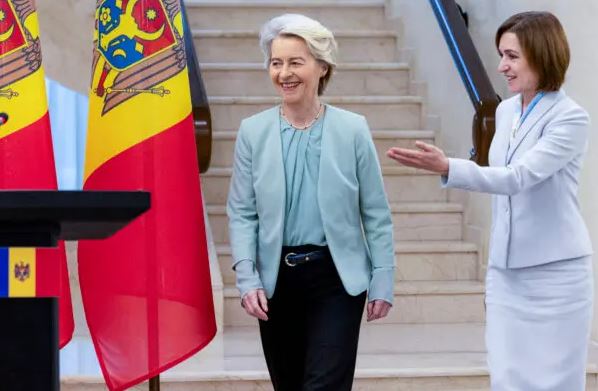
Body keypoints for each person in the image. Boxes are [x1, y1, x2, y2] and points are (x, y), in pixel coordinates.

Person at [387, 11, 593, 391]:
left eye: (512, 56)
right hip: (505, 272)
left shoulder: (570, 118)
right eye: (501, 55)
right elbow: (498, 169)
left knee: (557, 383)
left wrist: (449, 166)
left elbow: (519, 178)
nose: (501, 66)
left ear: (542, 54)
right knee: (507, 379)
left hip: (557, 275)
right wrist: (453, 166)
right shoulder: (506, 110)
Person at [226, 13, 395, 391]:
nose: (284, 73)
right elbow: (241, 211)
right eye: (276, 62)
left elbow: (376, 212)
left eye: (295, 62)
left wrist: (383, 276)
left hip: (336, 279)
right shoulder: (252, 132)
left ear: (322, 67)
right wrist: (246, 275)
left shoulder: (353, 129)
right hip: (275, 282)